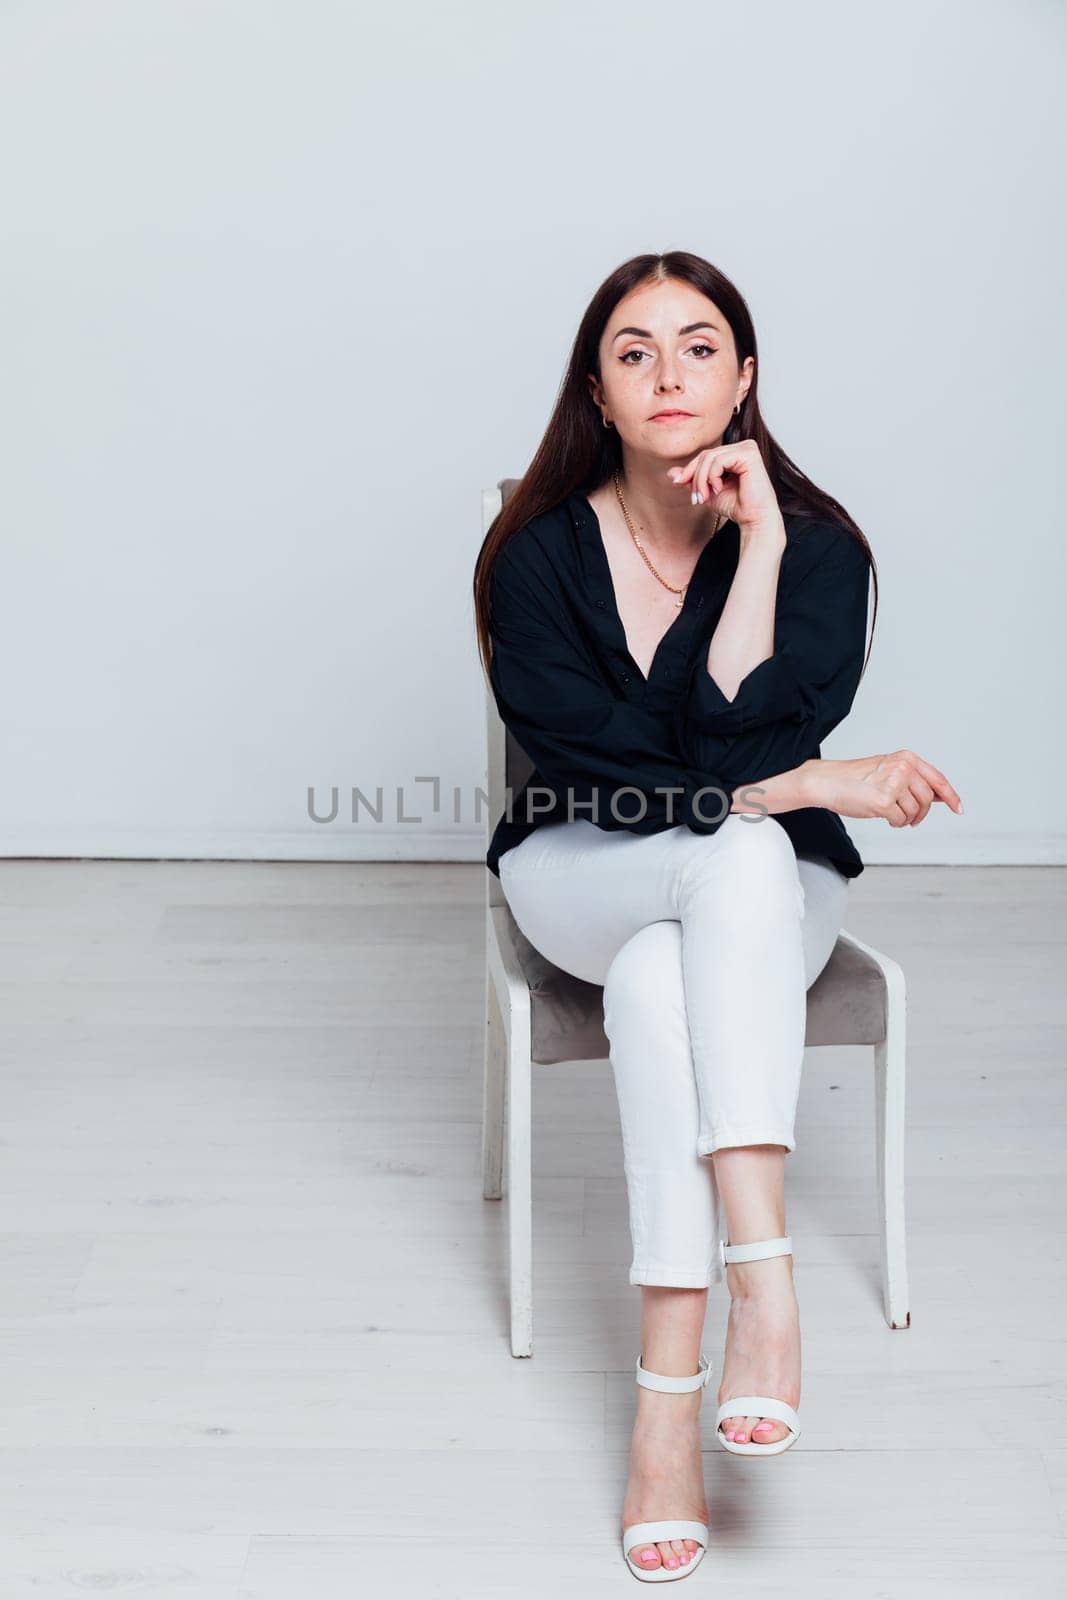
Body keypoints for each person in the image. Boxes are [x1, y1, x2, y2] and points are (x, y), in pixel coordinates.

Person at [471, 252, 962, 1582]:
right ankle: (771, 1281)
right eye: (635, 351)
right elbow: (593, 765)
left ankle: (664, 1410)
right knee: (726, 856)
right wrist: (802, 783)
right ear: (598, 388)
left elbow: (749, 727)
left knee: (672, 960)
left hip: (749, 897)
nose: (669, 374)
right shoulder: (535, 555)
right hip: (583, 866)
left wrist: (757, 549)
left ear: (745, 378)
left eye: (700, 347)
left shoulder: (817, 546)